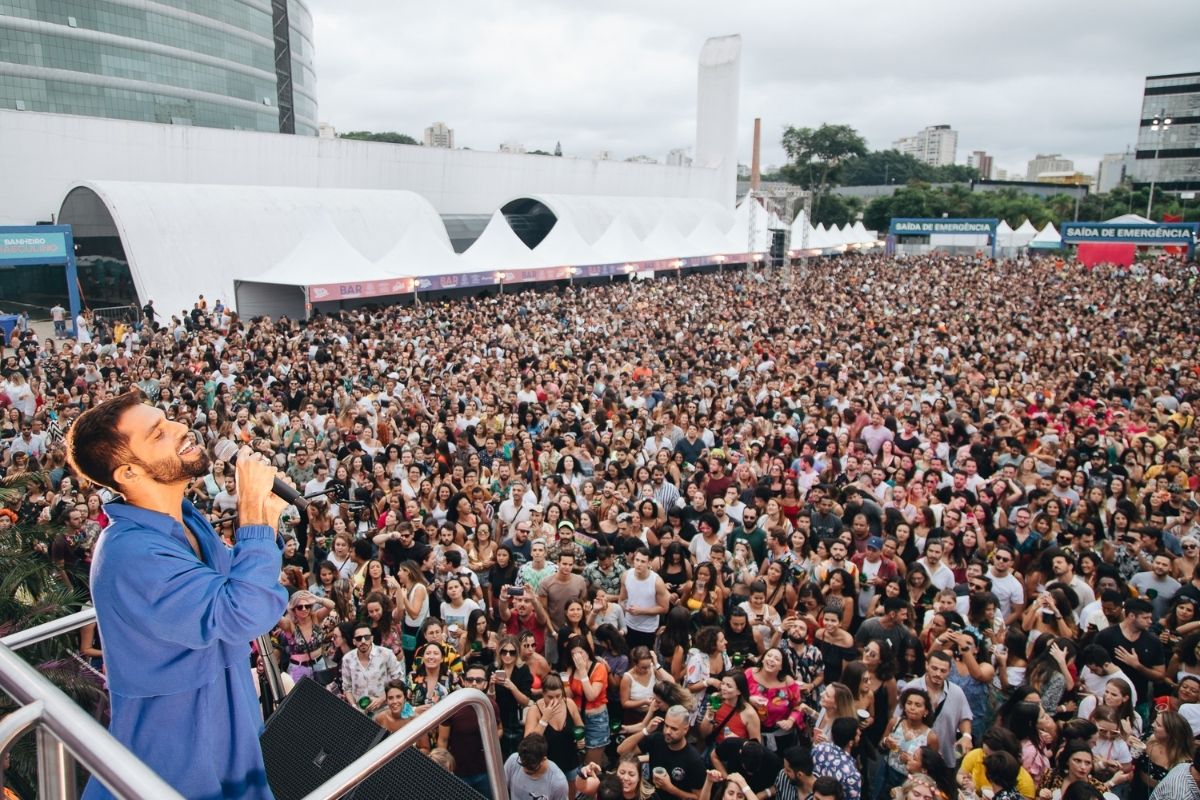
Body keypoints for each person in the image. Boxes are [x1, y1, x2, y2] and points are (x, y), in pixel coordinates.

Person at [66, 391, 289, 800]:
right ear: (128, 473)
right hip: (176, 762)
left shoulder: (188, 518)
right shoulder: (129, 554)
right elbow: (243, 611)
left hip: (232, 739)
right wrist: (253, 512)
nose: (180, 428)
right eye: (158, 434)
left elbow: (236, 597)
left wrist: (265, 523)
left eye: (168, 419)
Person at [617, 705, 706, 800]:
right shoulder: (657, 739)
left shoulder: (694, 760)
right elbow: (621, 751)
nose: (668, 731)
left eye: (674, 729)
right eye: (666, 725)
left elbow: (699, 798)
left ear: (685, 729)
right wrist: (646, 731)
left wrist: (670, 788)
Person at [340, 622, 405, 713]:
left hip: (386, 709)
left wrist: (382, 699)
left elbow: (399, 681)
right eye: (359, 638)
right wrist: (354, 707)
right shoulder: (347, 659)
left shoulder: (386, 654)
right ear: (354, 641)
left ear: (371, 639)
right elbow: (347, 688)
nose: (363, 641)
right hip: (361, 712)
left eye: (366, 637)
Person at [504, 733, 571, 800]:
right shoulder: (513, 760)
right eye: (523, 764)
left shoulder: (558, 783)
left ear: (543, 759)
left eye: (531, 768)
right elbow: (500, 788)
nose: (525, 769)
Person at [812, 717, 862, 800]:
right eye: (857, 734)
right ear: (850, 742)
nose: (860, 733)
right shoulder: (852, 775)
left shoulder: (818, 748)